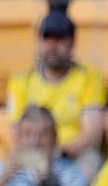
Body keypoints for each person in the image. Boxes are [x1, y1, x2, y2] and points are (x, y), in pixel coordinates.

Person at [7, 8, 104, 176]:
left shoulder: (89, 78)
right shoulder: (20, 82)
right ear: (38, 42)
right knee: (0, 171)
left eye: (60, 39)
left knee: (91, 163)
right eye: (47, 38)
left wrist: (59, 153)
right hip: (33, 153)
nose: (52, 46)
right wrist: (40, 157)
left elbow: (92, 135)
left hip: (74, 156)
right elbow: (17, 135)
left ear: (72, 42)